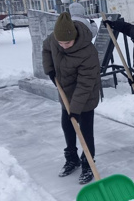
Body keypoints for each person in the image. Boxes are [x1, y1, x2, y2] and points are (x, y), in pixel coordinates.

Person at [42, 12, 101, 184]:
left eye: (67, 42)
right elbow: (46, 48)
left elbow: (85, 84)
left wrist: (75, 110)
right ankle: (72, 159)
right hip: (65, 92)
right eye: (60, 43)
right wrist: (50, 70)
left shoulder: (88, 52)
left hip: (86, 95)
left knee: (85, 130)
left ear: (74, 36)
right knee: (67, 126)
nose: (63, 46)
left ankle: (88, 164)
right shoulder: (55, 39)